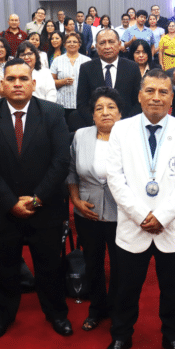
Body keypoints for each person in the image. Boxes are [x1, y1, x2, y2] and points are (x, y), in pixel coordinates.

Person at [0, 58, 73, 339]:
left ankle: (56, 314)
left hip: (45, 208)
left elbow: (61, 162)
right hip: (1, 210)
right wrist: (10, 202)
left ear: (33, 83)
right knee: (3, 268)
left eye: (23, 79)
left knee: (49, 267)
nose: (17, 84)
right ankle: (3, 316)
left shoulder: (52, 113)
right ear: (2, 85)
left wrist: (36, 200)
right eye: (11, 79)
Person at [101, 69, 175, 349]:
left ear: (171, 98)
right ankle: (121, 336)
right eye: (150, 90)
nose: (156, 97)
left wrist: (163, 216)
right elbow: (115, 178)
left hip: (171, 228)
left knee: (172, 290)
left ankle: (173, 337)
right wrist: (142, 215)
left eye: (163, 92)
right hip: (133, 225)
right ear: (140, 95)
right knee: (126, 289)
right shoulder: (121, 129)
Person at [68, 88, 123, 332]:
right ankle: (96, 309)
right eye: (99, 108)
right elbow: (71, 170)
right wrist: (76, 200)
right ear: (92, 114)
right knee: (93, 262)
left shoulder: (128, 137)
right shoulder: (81, 135)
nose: (105, 112)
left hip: (122, 213)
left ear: (120, 113)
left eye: (111, 107)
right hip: (87, 211)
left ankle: (119, 309)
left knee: (121, 265)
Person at [77, 29, 143, 123]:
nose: (107, 47)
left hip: (127, 124)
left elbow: (139, 101)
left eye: (111, 42)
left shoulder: (132, 67)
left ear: (119, 44)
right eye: (102, 43)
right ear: (96, 47)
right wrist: (98, 121)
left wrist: (125, 122)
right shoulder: (86, 68)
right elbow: (82, 103)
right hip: (97, 125)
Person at [50, 31, 90, 124]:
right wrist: (62, 82)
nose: (72, 44)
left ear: (79, 44)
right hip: (62, 104)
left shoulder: (87, 60)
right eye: (69, 42)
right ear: (64, 44)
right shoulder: (57, 60)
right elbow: (50, 83)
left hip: (82, 105)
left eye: (75, 42)